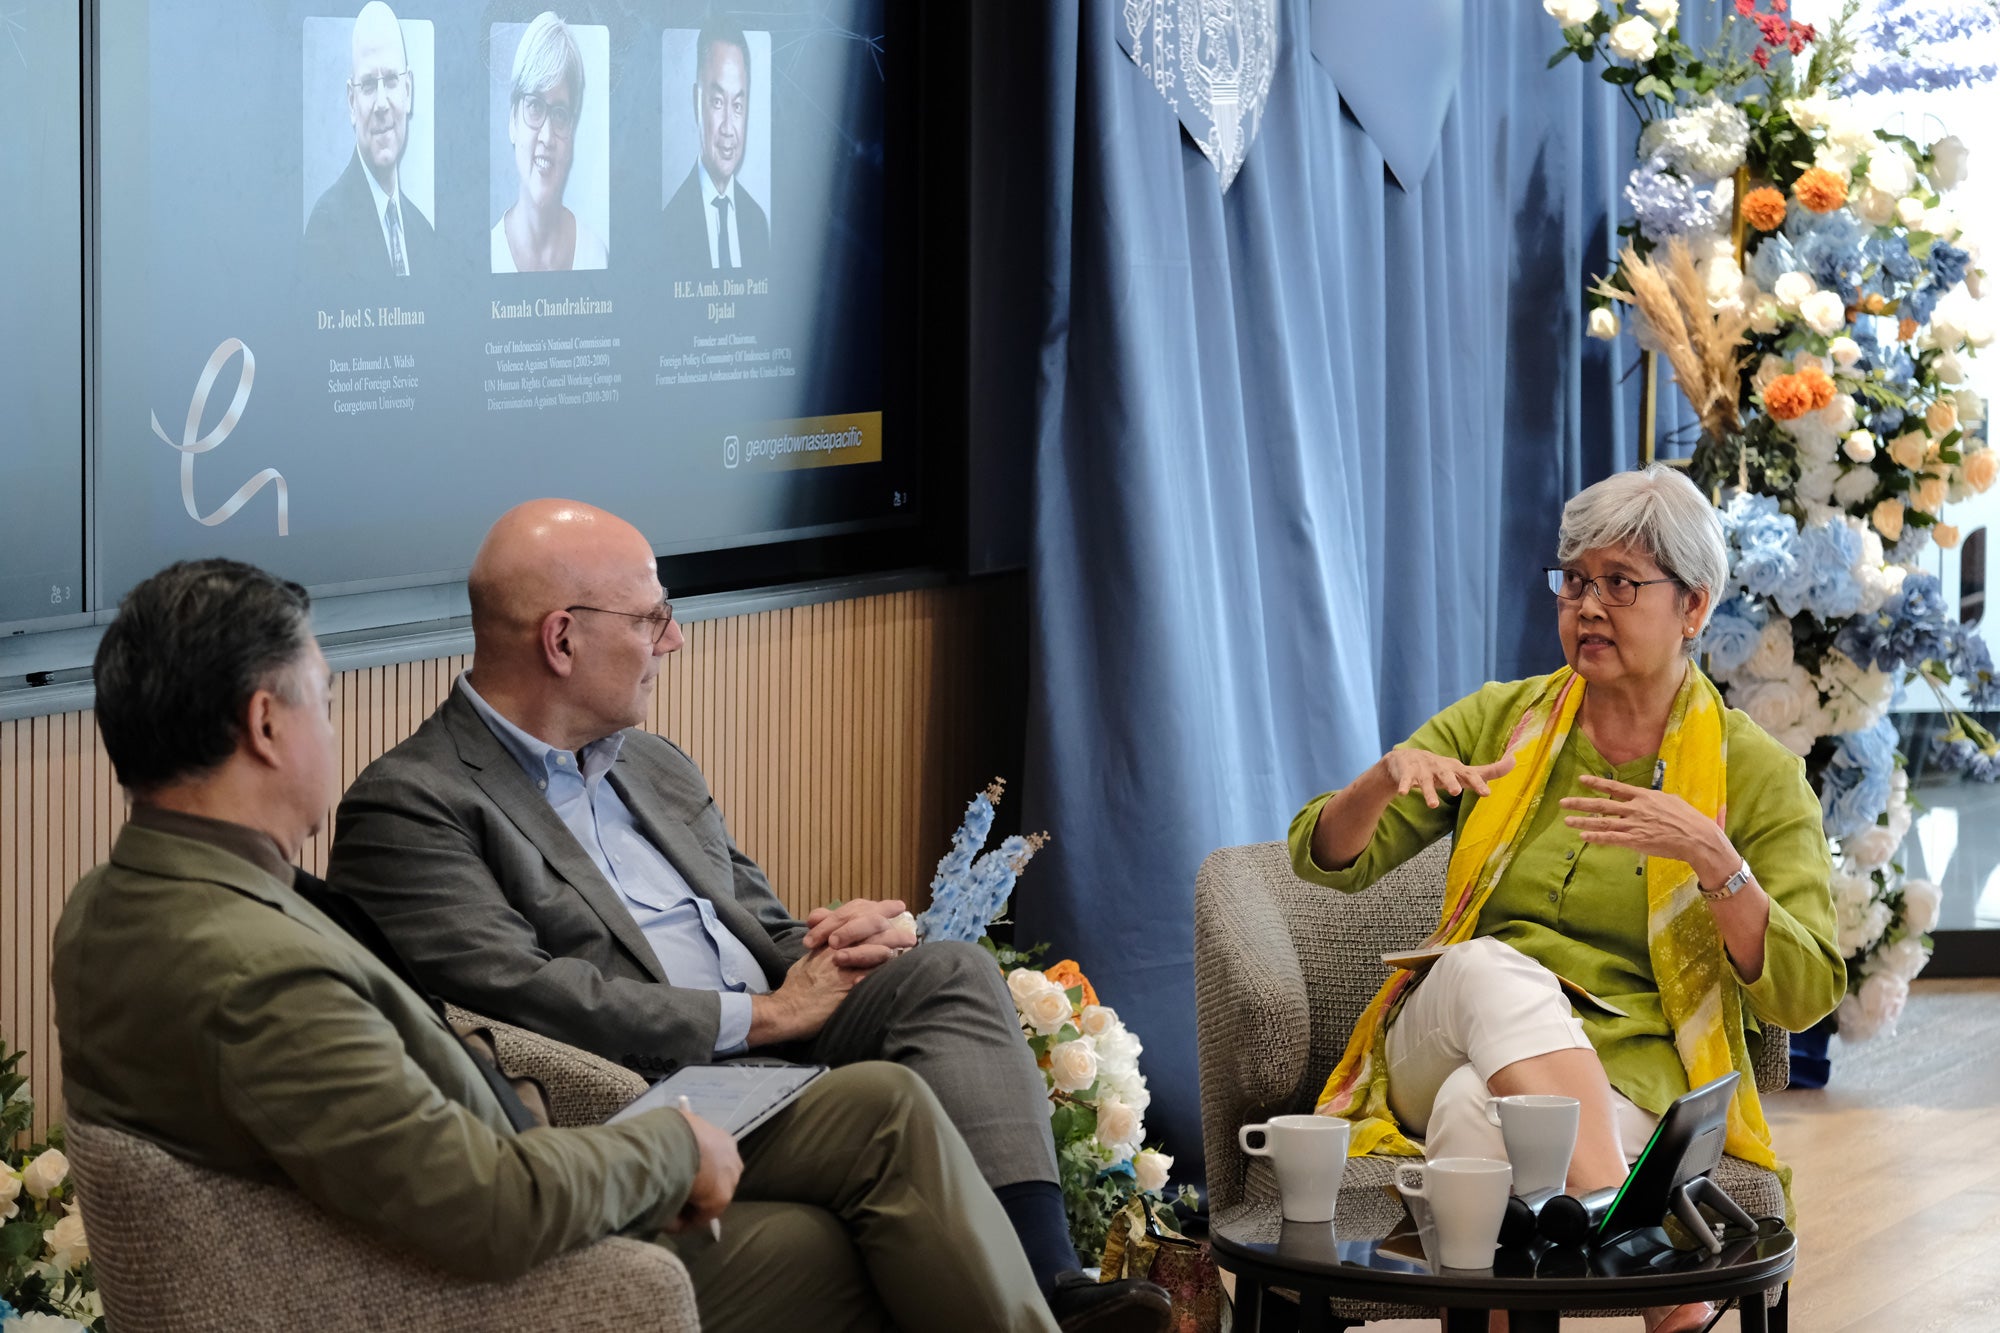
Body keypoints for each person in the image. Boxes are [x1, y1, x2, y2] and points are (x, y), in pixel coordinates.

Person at [53, 557, 1069, 1333]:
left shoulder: (119, 898)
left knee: (882, 1105)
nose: (338, 724)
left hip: (487, 1165)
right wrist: (662, 1148)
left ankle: (1046, 1287)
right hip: (470, 1274)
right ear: (267, 724)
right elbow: (477, 1200)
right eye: (325, 697)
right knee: (842, 1247)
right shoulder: (254, 964)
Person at [327, 500, 1171, 1332]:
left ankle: (1051, 1277)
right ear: (561, 639)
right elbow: (523, 995)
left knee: (945, 967)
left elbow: (758, 925)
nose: (674, 640)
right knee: (884, 1106)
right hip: (648, 1096)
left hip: (772, 1041)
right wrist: (763, 1015)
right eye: (653, 617)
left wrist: (841, 942)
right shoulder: (413, 804)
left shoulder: (652, 763)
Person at [1290, 467, 1844, 1333]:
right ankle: (1645, 1259)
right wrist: (1384, 777)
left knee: (1475, 1118)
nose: (1587, 606)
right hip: (1444, 1022)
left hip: (1627, 1066)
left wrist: (1714, 858)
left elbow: (1807, 992)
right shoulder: (1503, 721)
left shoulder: (1753, 775)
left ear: (1693, 607)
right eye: (1575, 581)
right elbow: (1327, 863)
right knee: (1484, 965)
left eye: (1620, 584)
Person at [304, 1, 436, 279]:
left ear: (408, 91)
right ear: (352, 102)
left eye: (390, 80)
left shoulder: (425, 235)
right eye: (367, 85)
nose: (381, 104)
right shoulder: (326, 229)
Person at [492, 12, 607, 273]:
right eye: (534, 106)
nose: (547, 136)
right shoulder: (490, 254)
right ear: (512, 121)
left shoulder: (596, 256)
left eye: (559, 114)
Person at [663, 20, 770, 274]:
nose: (728, 128)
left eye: (738, 106)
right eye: (718, 102)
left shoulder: (757, 222)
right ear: (696, 102)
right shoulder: (667, 227)